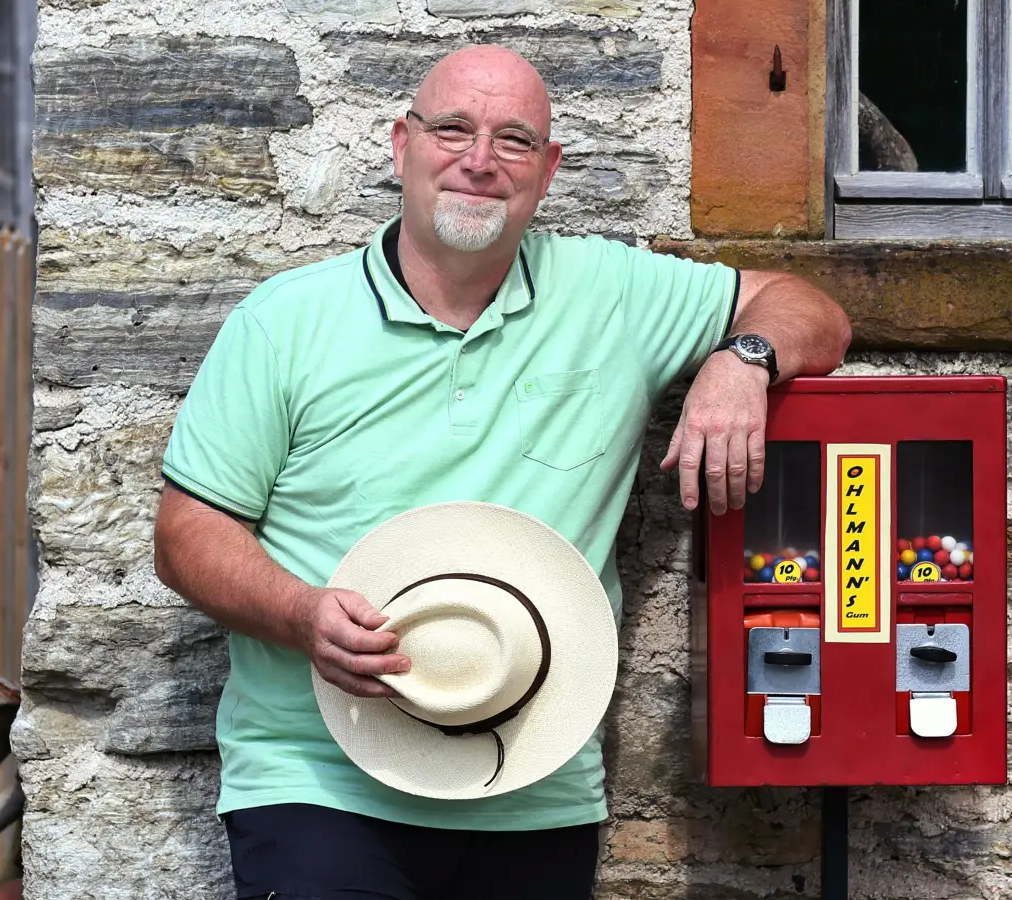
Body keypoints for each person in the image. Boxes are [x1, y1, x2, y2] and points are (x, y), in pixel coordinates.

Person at [152, 44, 851, 900]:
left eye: (514, 140)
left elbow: (811, 311)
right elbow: (187, 536)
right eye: (452, 130)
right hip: (319, 780)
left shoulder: (609, 294)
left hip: (533, 787)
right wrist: (300, 615)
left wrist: (742, 360)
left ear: (547, 170)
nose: (480, 161)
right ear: (400, 144)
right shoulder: (285, 323)